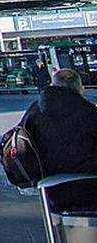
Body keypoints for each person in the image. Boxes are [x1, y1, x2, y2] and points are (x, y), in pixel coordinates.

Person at [21, 68, 97, 209]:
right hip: (87, 183)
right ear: (81, 89)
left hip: (47, 183)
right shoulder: (89, 111)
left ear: (52, 85)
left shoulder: (34, 110)